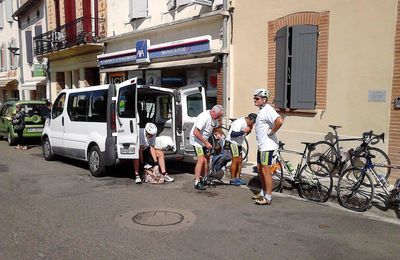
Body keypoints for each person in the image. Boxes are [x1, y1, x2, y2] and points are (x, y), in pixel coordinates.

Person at [253, 89, 284, 205]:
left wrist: (271, 132)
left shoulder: (268, 109)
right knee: (260, 168)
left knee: (266, 170)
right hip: (261, 146)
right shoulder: (262, 110)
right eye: (254, 98)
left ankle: (268, 197)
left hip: (267, 146)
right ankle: (263, 191)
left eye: (257, 98)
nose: (255, 100)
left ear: (264, 99)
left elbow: (280, 121)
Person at [189, 104, 224, 190]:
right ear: (213, 112)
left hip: (204, 141)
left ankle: (205, 178)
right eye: (218, 116)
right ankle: (197, 182)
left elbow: (215, 128)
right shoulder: (204, 117)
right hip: (196, 141)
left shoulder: (214, 117)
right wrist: (206, 143)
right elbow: (195, 132)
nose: (218, 118)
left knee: (207, 159)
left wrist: (218, 134)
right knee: (201, 159)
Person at [226, 113, 257, 186]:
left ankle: (238, 178)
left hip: (238, 143)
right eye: (254, 122)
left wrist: (249, 130)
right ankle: (233, 179)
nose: (254, 124)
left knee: (240, 161)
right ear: (250, 119)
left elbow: (245, 134)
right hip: (232, 142)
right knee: (235, 160)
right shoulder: (240, 122)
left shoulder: (249, 124)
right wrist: (244, 131)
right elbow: (232, 134)